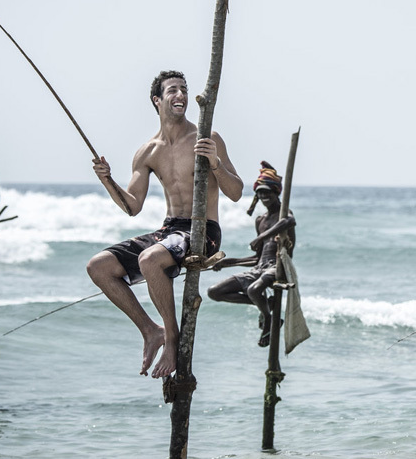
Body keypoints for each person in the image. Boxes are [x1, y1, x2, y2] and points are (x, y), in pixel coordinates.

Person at [87, 70, 243, 378]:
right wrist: (107, 180)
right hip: (170, 230)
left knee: (150, 258)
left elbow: (236, 192)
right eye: (173, 90)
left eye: (184, 89)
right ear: (157, 101)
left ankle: (172, 340)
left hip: (203, 230)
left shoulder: (207, 137)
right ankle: (151, 331)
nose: (181, 95)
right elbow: (132, 206)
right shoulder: (148, 152)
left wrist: (216, 163)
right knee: (99, 266)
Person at [206, 161, 296, 347]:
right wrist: (227, 262)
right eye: (260, 193)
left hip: (277, 267)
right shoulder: (260, 220)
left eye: (267, 192)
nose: (264, 196)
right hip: (260, 268)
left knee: (253, 289)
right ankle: (266, 306)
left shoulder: (284, 213)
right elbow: (257, 258)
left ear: (276, 192)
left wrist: (261, 237)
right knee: (214, 292)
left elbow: (288, 222)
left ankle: (267, 319)